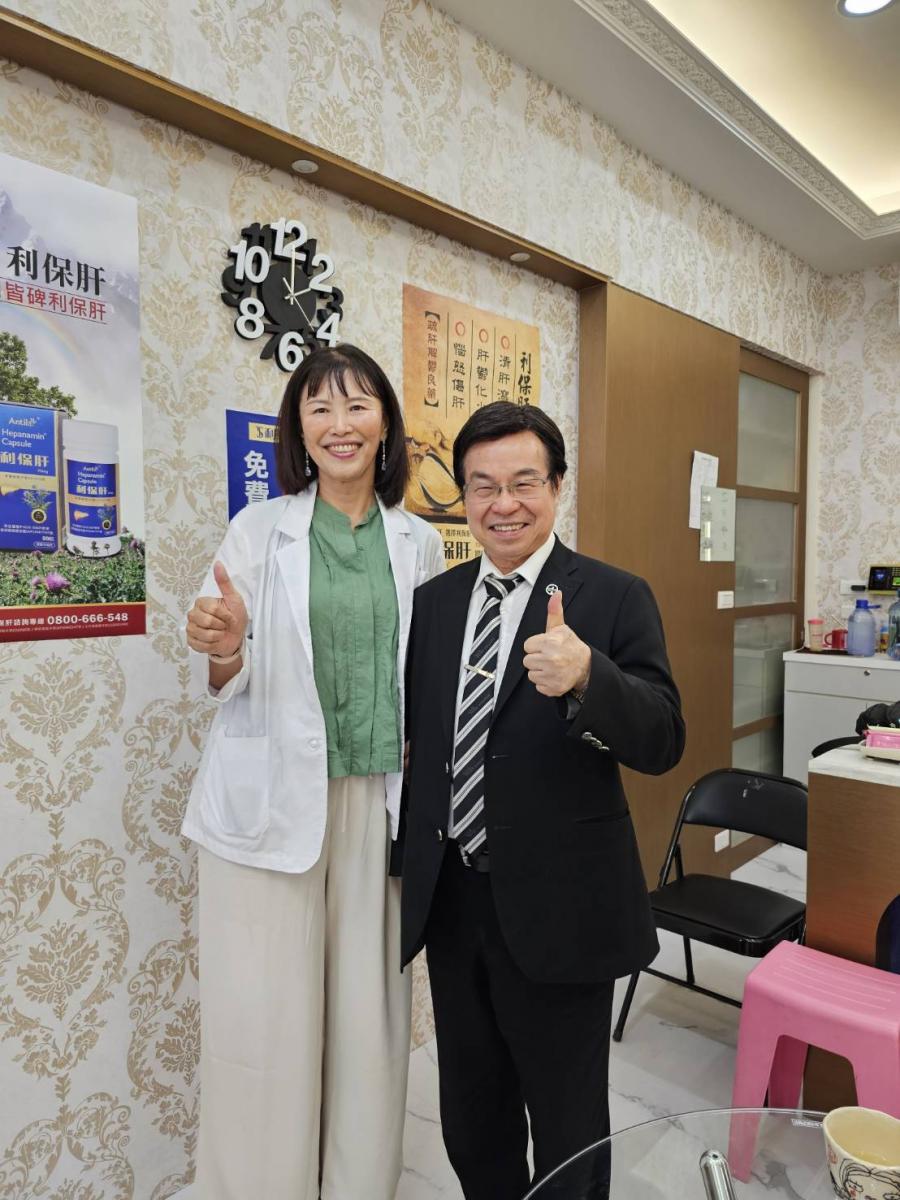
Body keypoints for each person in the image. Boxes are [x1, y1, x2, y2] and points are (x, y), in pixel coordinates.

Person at [400, 402, 685, 1200]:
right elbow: (427, 736)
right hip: (455, 902)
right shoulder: (436, 603)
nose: (504, 504)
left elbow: (663, 738)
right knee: (473, 1118)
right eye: (483, 486)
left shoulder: (615, 596)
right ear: (463, 495)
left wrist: (590, 677)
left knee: (567, 1130)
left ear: (557, 486)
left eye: (524, 482)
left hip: (564, 906)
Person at [182, 344, 444, 1200]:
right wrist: (225, 647)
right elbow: (226, 669)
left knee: (369, 1016)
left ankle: (358, 1185)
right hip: (269, 802)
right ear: (298, 428)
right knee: (266, 1017)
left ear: (385, 424)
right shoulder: (260, 530)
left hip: (376, 801)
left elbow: (426, 676)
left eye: (358, 405)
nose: (340, 425)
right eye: (320, 408)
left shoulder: (418, 543)